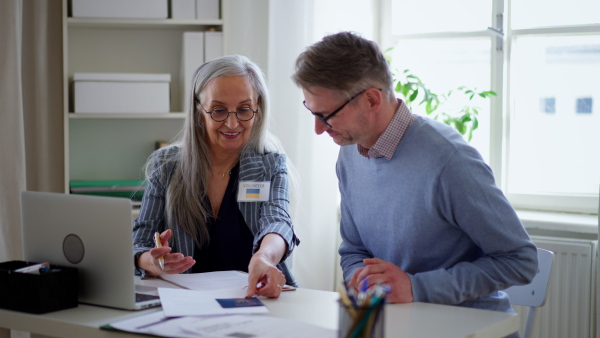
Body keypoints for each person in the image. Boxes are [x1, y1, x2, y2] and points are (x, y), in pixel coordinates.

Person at [292, 31, 538, 315]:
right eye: (313, 113)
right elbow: (354, 250)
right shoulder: (350, 152)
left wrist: (415, 287)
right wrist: (364, 280)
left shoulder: (449, 160)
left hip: (470, 329)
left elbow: (520, 261)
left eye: (327, 115)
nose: (319, 129)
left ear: (372, 100)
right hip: (397, 324)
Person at [134, 54, 300, 298]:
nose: (232, 124)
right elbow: (139, 242)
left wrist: (264, 257)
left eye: (244, 109)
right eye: (218, 110)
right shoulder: (166, 165)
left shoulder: (271, 165)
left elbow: (278, 222)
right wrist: (151, 261)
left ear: (258, 109)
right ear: (198, 110)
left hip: (256, 298)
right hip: (184, 301)